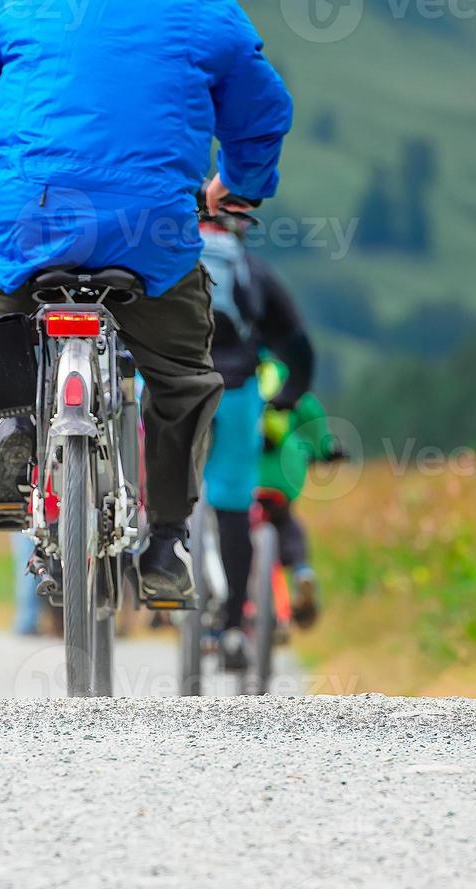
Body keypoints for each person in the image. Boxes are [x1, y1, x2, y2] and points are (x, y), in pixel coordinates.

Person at [0, 0, 293, 605]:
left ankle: (11, 418)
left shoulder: (20, 8)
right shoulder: (207, 14)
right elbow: (264, 108)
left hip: (30, 221)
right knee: (182, 382)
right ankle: (167, 541)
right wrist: (238, 186)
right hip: (150, 235)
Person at [197, 214, 315, 667]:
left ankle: (157, 551)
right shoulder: (252, 271)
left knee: (157, 481)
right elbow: (298, 347)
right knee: (231, 502)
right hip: (236, 393)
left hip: (172, 391)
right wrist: (288, 397)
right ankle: (230, 628)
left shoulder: (168, 259)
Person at [258, 362, 341, 629]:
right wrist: (326, 448)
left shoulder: (229, 370)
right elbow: (313, 416)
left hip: (237, 474)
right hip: (282, 474)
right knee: (285, 522)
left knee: (228, 527)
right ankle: (302, 570)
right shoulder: (285, 378)